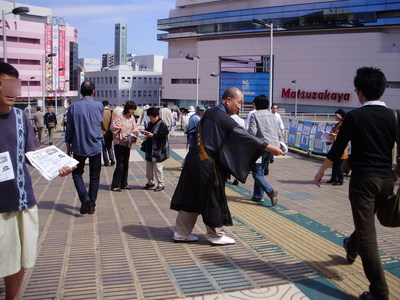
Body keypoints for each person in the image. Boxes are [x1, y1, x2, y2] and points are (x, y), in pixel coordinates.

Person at [314, 67, 394, 300]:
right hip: (387, 181)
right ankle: (351, 247)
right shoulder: (394, 116)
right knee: (365, 225)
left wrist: (320, 172)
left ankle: (379, 293)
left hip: (363, 183)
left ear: (359, 92)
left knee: (368, 235)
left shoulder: (355, 117)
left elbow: (337, 150)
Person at [170, 87, 284, 245]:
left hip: (195, 161)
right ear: (228, 100)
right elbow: (241, 135)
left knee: (192, 196)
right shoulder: (220, 116)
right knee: (213, 197)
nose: (240, 107)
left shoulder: (211, 113)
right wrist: (269, 147)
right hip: (207, 163)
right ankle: (215, 235)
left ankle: (181, 233)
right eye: (239, 102)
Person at [0, 62, 74, 300]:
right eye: (5, 84)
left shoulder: (21, 118)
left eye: (15, 84)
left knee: (19, 258)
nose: (12, 91)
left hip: (21, 199)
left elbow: (31, 154)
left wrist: (56, 166)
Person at [65, 80, 104, 215]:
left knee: (76, 173)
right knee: (94, 176)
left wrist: (68, 144)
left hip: (79, 145)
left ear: (81, 92)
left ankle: (84, 198)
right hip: (95, 145)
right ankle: (91, 205)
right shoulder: (99, 106)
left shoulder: (73, 107)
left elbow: (69, 128)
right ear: (94, 92)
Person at [248, 95, 280, 205]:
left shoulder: (254, 115)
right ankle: (258, 196)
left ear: (256, 104)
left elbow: (252, 132)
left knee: (256, 174)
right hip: (272, 148)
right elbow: (278, 132)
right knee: (261, 172)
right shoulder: (273, 116)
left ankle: (270, 191)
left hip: (260, 148)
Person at [110, 101, 139, 191]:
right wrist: (121, 129)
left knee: (126, 164)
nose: (132, 111)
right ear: (127, 108)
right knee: (120, 164)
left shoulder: (132, 118)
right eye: (131, 109)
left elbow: (135, 127)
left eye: (134, 109)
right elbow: (113, 127)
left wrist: (134, 133)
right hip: (119, 142)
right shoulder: (120, 116)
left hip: (127, 143)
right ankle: (115, 185)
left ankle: (124, 183)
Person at [141, 107, 170, 192]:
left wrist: (152, 135)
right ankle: (150, 182)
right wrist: (145, 132)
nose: (151, 119)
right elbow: (148, 132)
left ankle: (161, 184)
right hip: (149, 149)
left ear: (156, 116)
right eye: (149, 117)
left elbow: (163, 137)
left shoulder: (162, 124)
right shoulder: (150, 123)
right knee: (148, 168)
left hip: (158, 150)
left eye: (151, 117)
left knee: (158, 168)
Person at [326, 109, 348, 185]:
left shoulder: (344, 125)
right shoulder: (337, 124)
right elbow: (335, 132)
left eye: (336, 115)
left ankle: (340, 180)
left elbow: (343, 136)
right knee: (334, 163)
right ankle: (333, 178)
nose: (335, 117)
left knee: (339, 164)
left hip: (341, 147)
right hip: (335, 146)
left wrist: (334, 135)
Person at [230, 112, 245, 185]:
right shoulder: (242, 120)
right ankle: (236, 178)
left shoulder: (228, 119)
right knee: (237, 161)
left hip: (229, 142)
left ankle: (227, 175)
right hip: (239, 142)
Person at [101, 100, 115, 167]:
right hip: (110, 132)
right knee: (110, 147)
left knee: (104, 148)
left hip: (102, 132)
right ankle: (112, 159)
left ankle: (106, 162)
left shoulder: (100, 112)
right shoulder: (112, 112)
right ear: (108, 105)